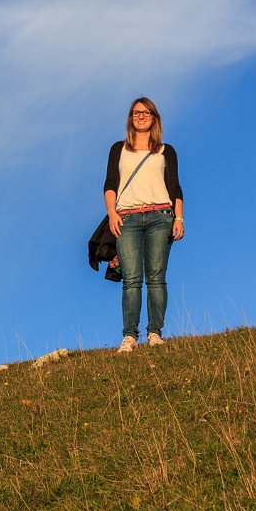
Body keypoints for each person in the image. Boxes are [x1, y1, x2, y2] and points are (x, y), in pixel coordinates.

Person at [103, 97, 184, 353]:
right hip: (127, 217)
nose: (141, 116)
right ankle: (129, 336)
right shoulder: (118, 149)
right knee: (132, 279)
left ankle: (155, 333)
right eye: (136, 113)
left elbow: (175, 187)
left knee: (157, 278)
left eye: (146, 112)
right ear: (130, 118)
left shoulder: (165, 151)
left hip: (161, 216)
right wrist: (111, 213)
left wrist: (179, 218)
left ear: (154, 118)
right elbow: (110, 184)